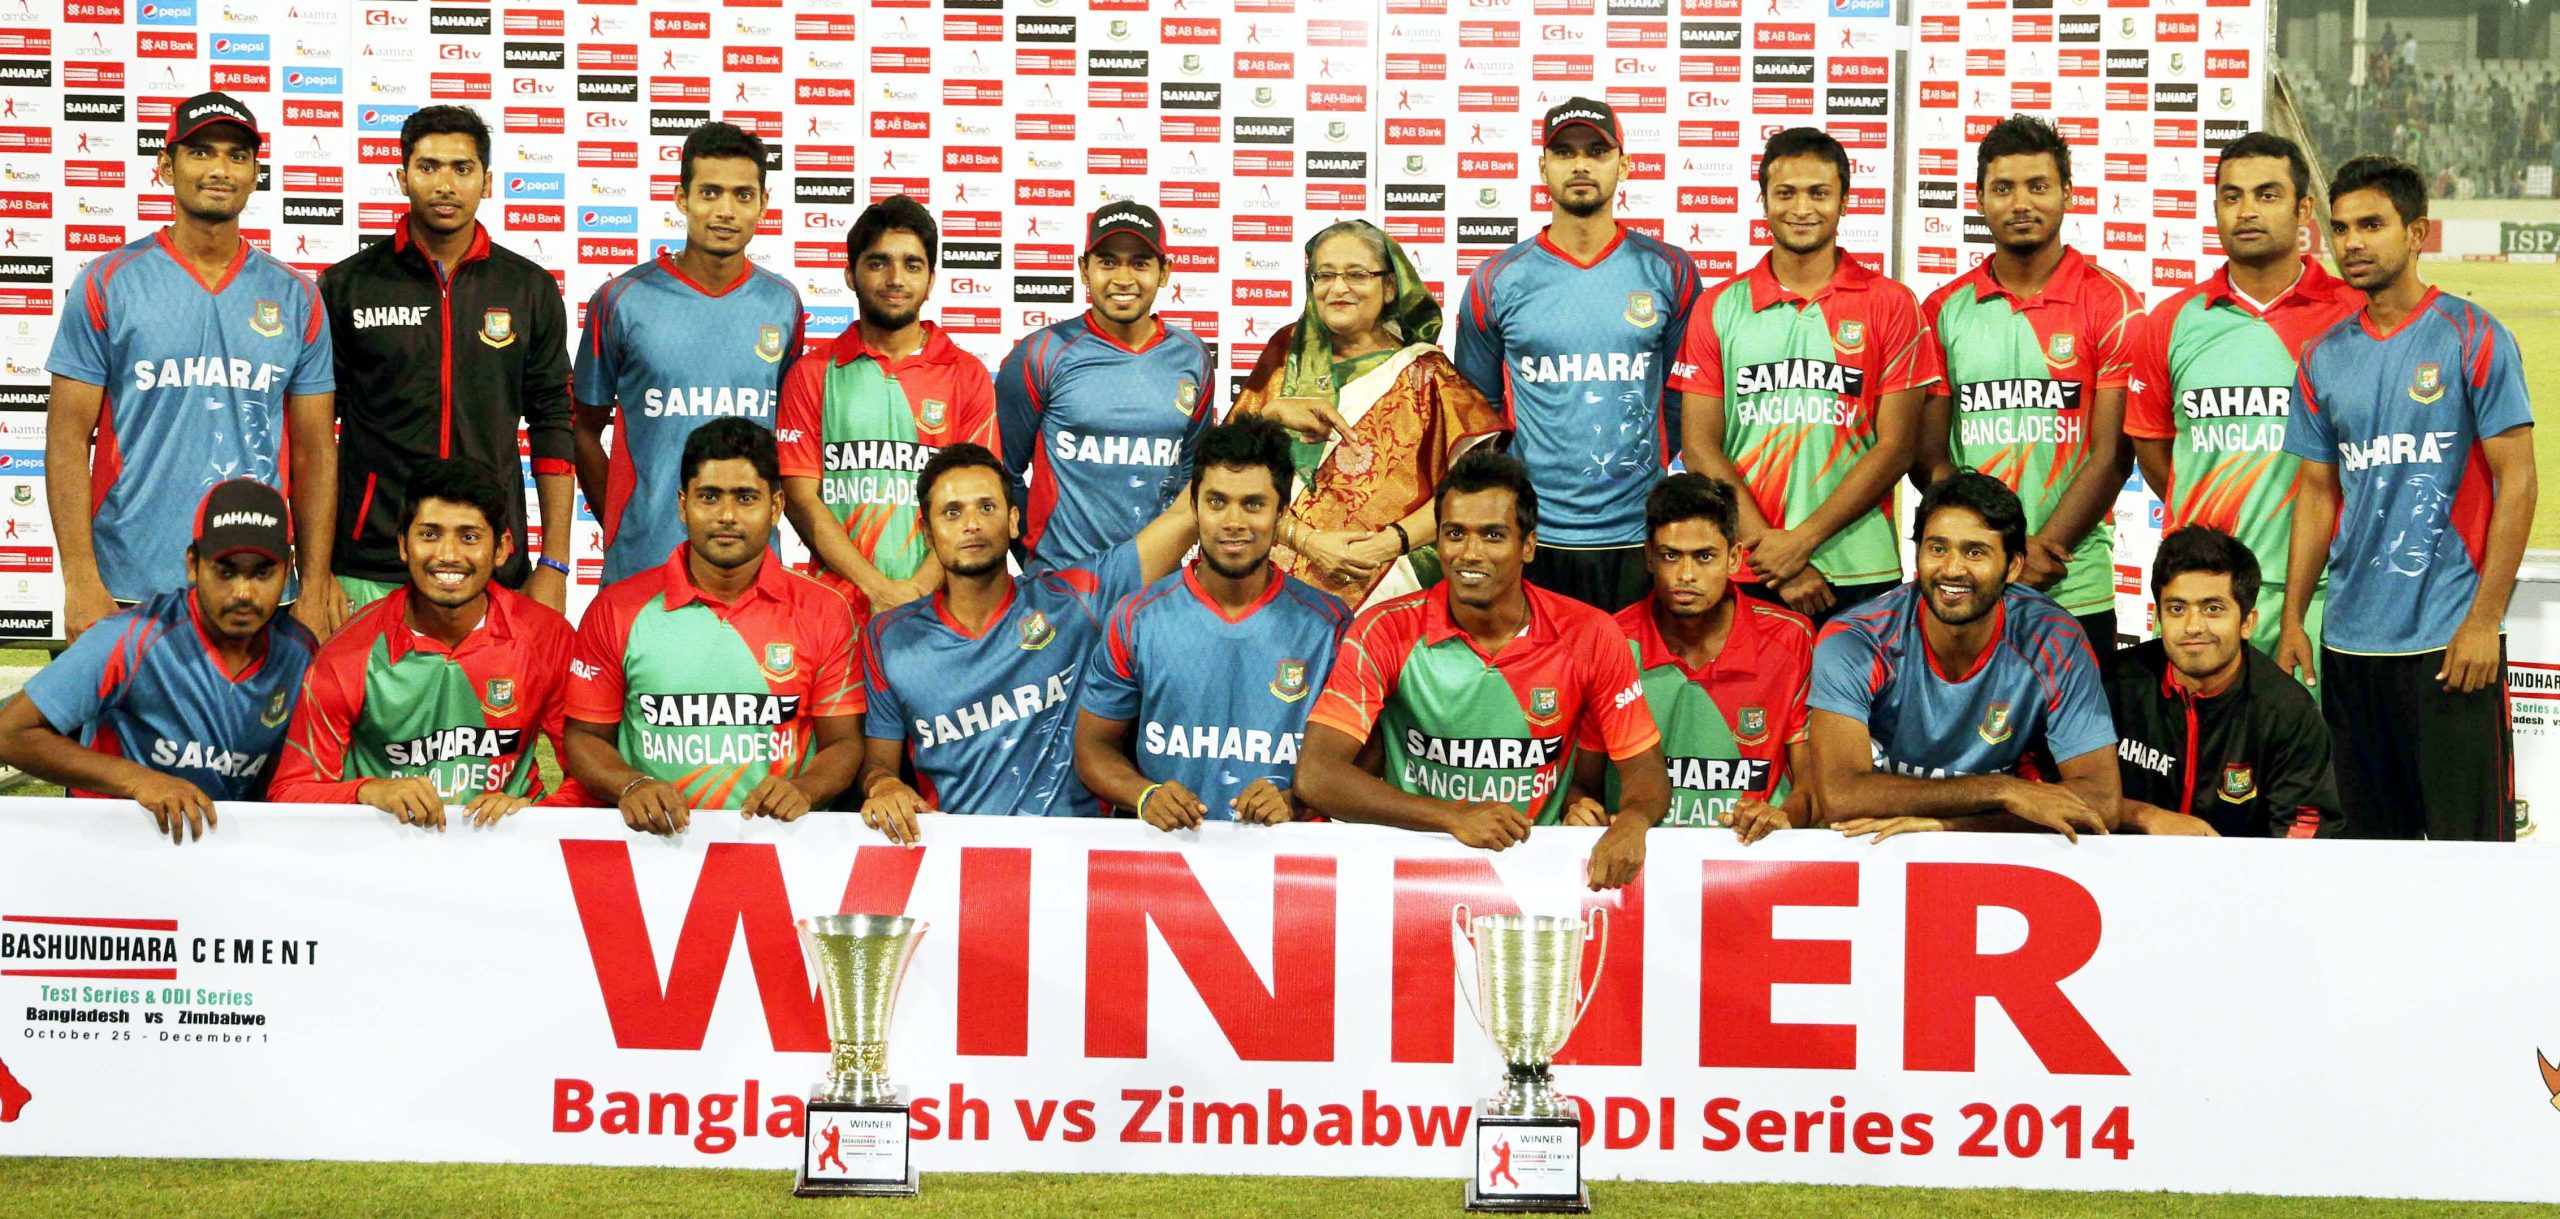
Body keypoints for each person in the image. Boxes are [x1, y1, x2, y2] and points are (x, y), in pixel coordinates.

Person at [2281, 154, 2537, 841]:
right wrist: (2294, 617)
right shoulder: (2323, 356)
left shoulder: (2471, 335)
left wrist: (2485, 619)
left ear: (2417, 231)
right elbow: (2314, 494)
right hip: (2351, 648)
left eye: (2371, 224)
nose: (2352, 242)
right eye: (2340, 228)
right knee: (2372, 864)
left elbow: (2519, 479)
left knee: (2467, 859)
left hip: (2449, 644)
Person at [1293, 452, 1664, 891]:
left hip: (1541, 878)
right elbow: (1318, 775)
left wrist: (1633, 822)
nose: (1470, 553)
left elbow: (1645, 769)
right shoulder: (1385, 630)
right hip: (1413, 879)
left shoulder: (1590, 634)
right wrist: (1453, 818)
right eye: (1455, 534)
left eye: (1492, 535)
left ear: (1527, 545)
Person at [44, 93, 339, 641]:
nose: (220, 169)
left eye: (237, 155)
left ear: (255, 173)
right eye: (201, 152)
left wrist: (315, 583)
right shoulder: (107, 282)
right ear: (166, 166)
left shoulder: (297, 296)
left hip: (260, 582)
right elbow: (65, 436)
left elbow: (316, 450)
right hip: (128, 580)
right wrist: (80, 577)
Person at [858, 444, 1196, 839]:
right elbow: (877, 765)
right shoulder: (890, 639)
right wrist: (882, 786)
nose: (972, 524)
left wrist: (1259, 413)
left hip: (1075, 857)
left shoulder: (1075, 601)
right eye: (953, 512)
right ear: (928, 533)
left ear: (1014, 519)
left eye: (987, 507)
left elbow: (1185, 515)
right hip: (959, 864)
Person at [320, 105, 576, 615]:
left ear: (486, 182)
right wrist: (317, 571)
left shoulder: (528, 289)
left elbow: (554, 425)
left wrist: (555, 563)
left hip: (491, 561)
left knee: (492, 699)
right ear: (401, 176)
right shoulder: (347, 285)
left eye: (462, 169)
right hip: (369, 564)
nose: (445, 184)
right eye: (428, 166)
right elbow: (311, 436)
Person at [1452, 98, 1703, 612]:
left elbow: (1687, 402)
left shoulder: (1670, 271)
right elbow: (1475, 420)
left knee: (1633, 688)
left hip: (1640, 533)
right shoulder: (1497, 279)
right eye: (1564, 153)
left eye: (1597, 151)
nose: (1581, 165)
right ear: (1543, 166)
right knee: (1542, 690)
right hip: (1533, 537)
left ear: (1624, 165)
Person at [1675, 127, 1932, 623]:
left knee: (1854, 705)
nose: (1802, 208)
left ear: (1844, 200)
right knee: (1748, 705)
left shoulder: (1892, 304)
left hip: (1861, 569)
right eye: (1785, 193)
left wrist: (1803, 542)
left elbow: (1897, 446)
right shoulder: (1719, 307)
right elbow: (1700, 446)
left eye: (1819, 193)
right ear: (1763, 200)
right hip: (1751, 565)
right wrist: (1775, 554)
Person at [561, 419, 864, 834]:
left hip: (784, 852)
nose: (726, 515)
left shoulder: (825, 609)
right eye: (709, 497)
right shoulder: (617, 608)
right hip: (652, 850)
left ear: (775, 507)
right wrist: (632, 784)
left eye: (745, 498)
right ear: (683, 505)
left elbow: (844, 743)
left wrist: (804, 789)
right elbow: (584, 737)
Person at [2126, 132, 2362, 662]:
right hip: (2204, 598)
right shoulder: (2171, 320)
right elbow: (2153, 448)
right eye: (2231, 197)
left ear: (2304, 209)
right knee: (2203, 745)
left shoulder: (2352, 316)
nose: (2247, 210)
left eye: (2267, 195)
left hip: (2325, 593)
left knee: (2316, 744)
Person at [1916, 115, 2144, 657]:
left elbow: (2112, 455)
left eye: (2038, 186)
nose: (2021, 203)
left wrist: (2046, 548)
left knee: (2077, 744)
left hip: (2073, 580)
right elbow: (1927, 458)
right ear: (1978, 199)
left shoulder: (2112, 303)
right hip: (1967, 584)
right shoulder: (1943, 310)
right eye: (2003, 188)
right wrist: (1989, 550)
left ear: (2067, 192)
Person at [1805, 472, 2126, 840]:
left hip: (1990, 852)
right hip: (1874, 846)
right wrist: (2002, 790)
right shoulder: (1857, 639)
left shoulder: (2055, 640)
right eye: (1937, 548)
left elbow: (2101, 802)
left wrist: (1950, 827)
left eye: (1975, 552)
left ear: (2013, 566)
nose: (1952, 569)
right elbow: (1842, 797)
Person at [0, 481, 318, 843]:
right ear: (193, 565)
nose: (243, 593)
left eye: (262, 572)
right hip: (111, 849)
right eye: (225, 571)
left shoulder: (300, 654)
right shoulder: (129, 639)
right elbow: (9, 734)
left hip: (219, 854)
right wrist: (139, 781)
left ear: (288, 569)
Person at [1073, 418, 1352, 829]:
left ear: (1281, 512)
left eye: (1253, 504)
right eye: (1217, 502)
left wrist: (1295, 801)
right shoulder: (1137, 618)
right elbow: (1091, 749)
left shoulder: (1329, 625)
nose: (1233, 521)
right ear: (1195, 507)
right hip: (1170, 867)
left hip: (1290, 874)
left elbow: (1365, 754)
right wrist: (1145, 795)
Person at [269, 461, 576, 827]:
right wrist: (367, 792)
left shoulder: (547, 636)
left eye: (469, 537)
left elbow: (591, 774)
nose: (447, 554)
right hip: (388, 857)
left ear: (501, 549)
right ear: (403, 544)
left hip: (506, 859)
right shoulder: (349, 652)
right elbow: (289, 793)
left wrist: (533, 817)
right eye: (429, 535)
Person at [573, 122, 804, 587]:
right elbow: (581, 428)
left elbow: (792, 437)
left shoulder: (783, 304)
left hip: (753, 573)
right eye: (710, 193)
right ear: (682, 199)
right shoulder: (621, 299)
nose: (725, 211)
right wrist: (621, 522)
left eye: (742, 195)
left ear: (763, 202)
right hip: (644, 564)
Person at [1230, 220, 1507, 607]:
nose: (1338, 288)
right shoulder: (1286, 351)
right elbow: (1227, 472)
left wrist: (1385, 545)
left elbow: (1470, 494)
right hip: (1272, 589)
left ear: (1390, 287)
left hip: (1385, 589)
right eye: (1324, 275)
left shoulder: (1426, 373)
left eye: (1357, 274)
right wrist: (1305, 540)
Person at [779, 195, 998, 620]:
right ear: (849, 274)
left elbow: (980, 502)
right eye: (878, 263)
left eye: (912, 265)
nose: (896, 278)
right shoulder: (811, 373)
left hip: (941, 609)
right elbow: (800, 498)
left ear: (931, 279)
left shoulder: (966, 375)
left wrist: (916, 589)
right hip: (836, 611)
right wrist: (876, 588)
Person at [1580, 473, 1812, 841]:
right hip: (1639, 861)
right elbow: (1582, 783)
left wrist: (1782, 818)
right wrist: (1579, 809)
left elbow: (1812, 785)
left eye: (1704, 557)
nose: (1686, 575)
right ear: (1649, 558)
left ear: (1734, 558)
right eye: (1671, 556)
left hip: (1751, 859)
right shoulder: (1609, 640)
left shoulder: (1791, 639)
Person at [995, 201, 1214, 569]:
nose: (1123, 279)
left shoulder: (1193, 358)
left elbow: (1195, 478)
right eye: (1108, 262)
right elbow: (1002, 473)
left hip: (1155, 587)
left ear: (1165, 272)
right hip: (1061, 584)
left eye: (1140, 263)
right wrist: (1034, 559)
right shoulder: (1041, 354)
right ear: (1084, 269)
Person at [2109, 526, 2339, 838]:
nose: (2193, 627)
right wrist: (2144, 817)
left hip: (2244, 880)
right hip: (2118, 875)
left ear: (2247, 622)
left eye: (2213, 609)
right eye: (2177, 609)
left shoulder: (2288, 712)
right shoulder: (2112, 685)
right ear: (2159, 618)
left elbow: (2305, 831)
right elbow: (2061, 791)